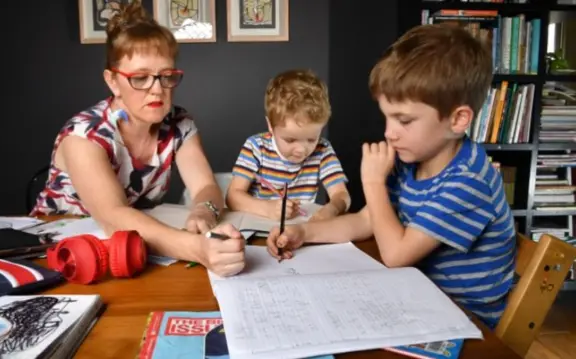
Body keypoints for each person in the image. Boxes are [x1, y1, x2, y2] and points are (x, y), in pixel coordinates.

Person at [265, 24, 516, 329]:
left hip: (463, 319)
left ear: (458, 119)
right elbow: (366, 220)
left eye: (404, 120)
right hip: (417, 294)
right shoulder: (412, 160)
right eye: (387, 117)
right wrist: (303, 233)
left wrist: (372, 183)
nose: (388, 132)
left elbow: (396, 255)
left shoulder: (468, 181)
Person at [30, 2, 244, 277]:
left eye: (166, 77)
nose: (156, 90)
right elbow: (114, 216)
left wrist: (204, 210)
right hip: (58, 255)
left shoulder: (180, 125)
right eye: (140, 78)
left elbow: (205, 186)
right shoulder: (83, 135)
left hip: (124, 248)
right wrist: (198, 248)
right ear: (113, 81)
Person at [226, 69, 351, 221]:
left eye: (311, 139)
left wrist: (332, 209)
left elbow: (342, 195)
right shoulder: (256, 147)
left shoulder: (323, 150)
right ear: (271, 126)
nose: (301, 150)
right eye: (290, 140)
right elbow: (232, 197)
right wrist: (269, 209)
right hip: (259, 226)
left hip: (301, 229)